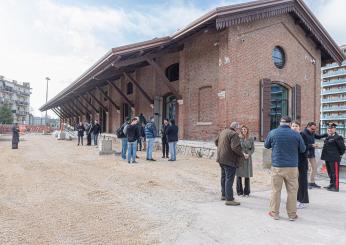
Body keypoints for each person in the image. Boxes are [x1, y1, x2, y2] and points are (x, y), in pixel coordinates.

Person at [265, 116, 306, 221]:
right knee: (292, 192)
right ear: (289, 123)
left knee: (275, 191)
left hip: (277, 166)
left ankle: (274, 213)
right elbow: (303, 149)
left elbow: (266, 145)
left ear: (280, 122)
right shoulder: (296, 134)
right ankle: (292, 215)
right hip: (292, 167)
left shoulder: (273, 132)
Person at [215, 122, 244, 206]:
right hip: (229, 160)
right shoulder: (234, 134)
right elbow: (235, 147)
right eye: (239, 129)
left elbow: (216, 142)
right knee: (229, 179)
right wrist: (242, 154)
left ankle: (224, 195)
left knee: (224, 177)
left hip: (221, 158)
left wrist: (223, 149)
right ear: (235, 128)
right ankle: (229, 199)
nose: (239, 130)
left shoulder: (223, 132)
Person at [302, 122, 328, 189]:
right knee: (305, 169)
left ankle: (311, 182)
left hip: (311, 153)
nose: (314, 130)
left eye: (315, 129)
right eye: (312, 129)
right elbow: (302, 146)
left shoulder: (312, 133)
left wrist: (327, 133)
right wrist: (312, 145)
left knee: (314, 168)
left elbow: (318, 136)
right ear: (308, 127)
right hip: (305, 154)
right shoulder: (303, 134)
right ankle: (305, 184)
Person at [321, 123, 345, 192]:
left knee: (335, 173)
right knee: (330, 172)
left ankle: (336, 187)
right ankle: (331, 184)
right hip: (327, 158)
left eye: (331, 128)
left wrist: (339, 155)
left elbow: (342, 148)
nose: (329, 130)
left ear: (335, 129)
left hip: (334, 158)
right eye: (328, 128)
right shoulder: (328, 137)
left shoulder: (338, 137)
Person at [291, 121, 309, 209]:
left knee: (302, 182)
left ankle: (302, 201)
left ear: (299, 128)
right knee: (294, 182)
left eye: (296, 126)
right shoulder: (290, 136)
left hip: (302, 162)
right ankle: (296, 199)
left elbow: (305, 149)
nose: (294, 127)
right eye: (293, 126)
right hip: (293, 162)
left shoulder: (302, 136)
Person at [236, 125, 255, 197]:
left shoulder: (250, 138)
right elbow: (237, 148)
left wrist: (249, 154)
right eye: (243, 129)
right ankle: (239, 191)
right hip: (240, 157)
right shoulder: (238, 138)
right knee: (239, 175)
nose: (244, 130)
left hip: (248, 158)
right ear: (241, 130)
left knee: (247, 175)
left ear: (247, 130)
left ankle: (247, 192)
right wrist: (243, 153)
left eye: (245, 129)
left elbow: (252, 149)